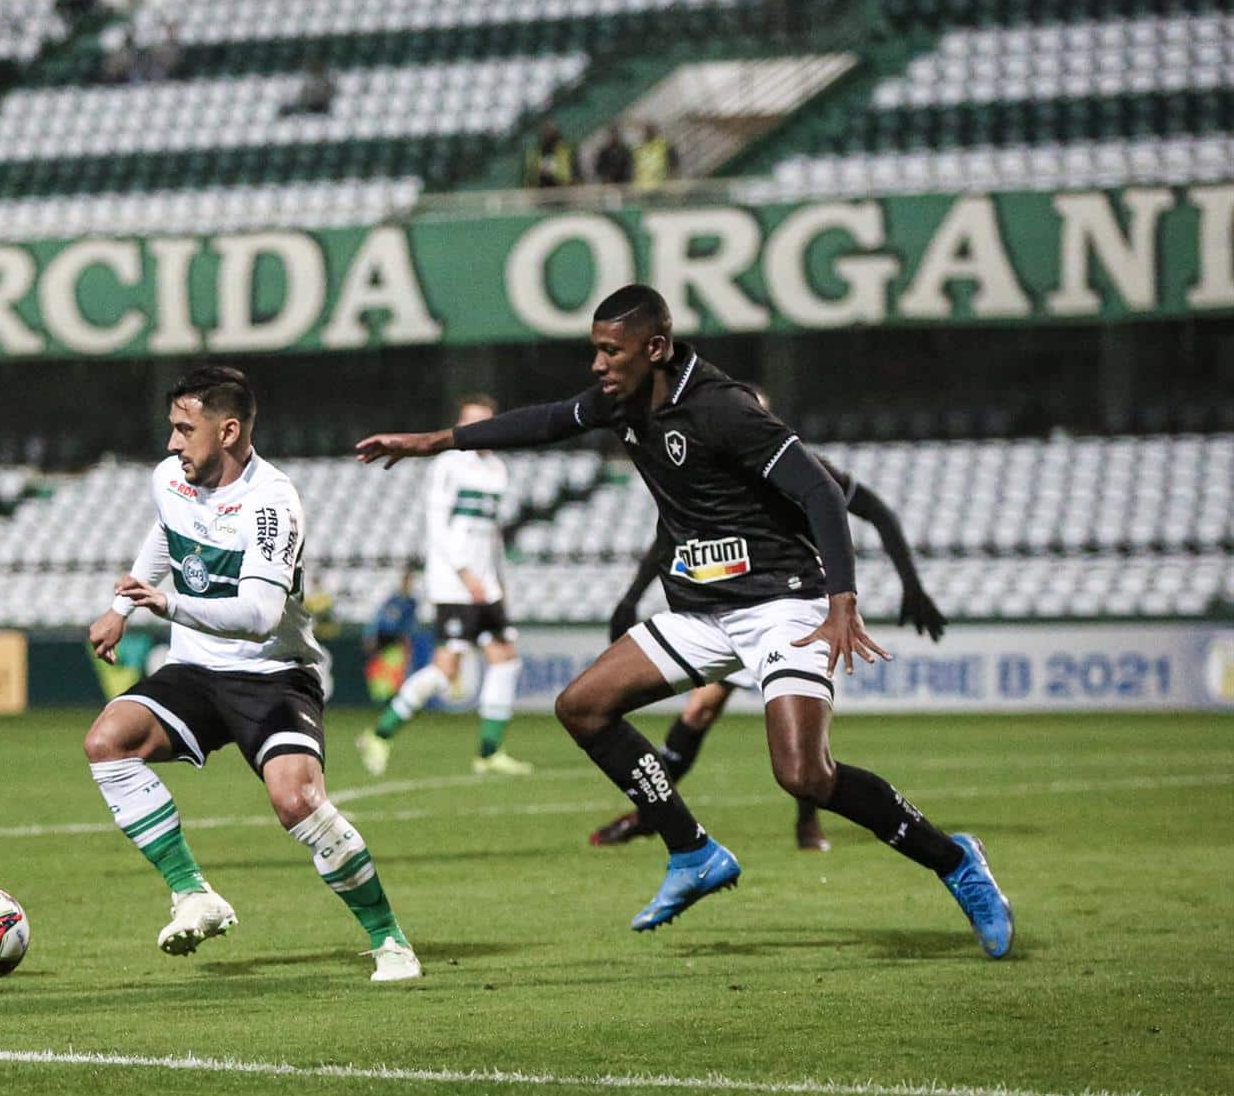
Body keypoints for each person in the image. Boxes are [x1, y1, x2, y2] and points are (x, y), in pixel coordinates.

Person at [354, 285, 1014, 960]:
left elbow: (820, 490)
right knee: (581, 706)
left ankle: (955, 859)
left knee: (803, 775)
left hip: (780, 604)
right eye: (595, 349)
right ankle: (691, 849)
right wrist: (436, 441)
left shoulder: (722, 408)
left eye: (611, 350)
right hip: (701, 611)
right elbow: (547, 421)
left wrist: (843, 599)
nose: (597, 364)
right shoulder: (621, 402)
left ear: (656, 348)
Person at [86, 366, 421, 982]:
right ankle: (193, 894)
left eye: (185, 430)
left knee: (296, 801)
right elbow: (167, 533)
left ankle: (389, 939)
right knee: (108, 742)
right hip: (193, 667)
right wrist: (121, 607)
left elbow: (261, 616)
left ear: (230, 430)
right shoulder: (171, 479)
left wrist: (168, 605)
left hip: (272, 673)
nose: (172, 444)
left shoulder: (273, 502)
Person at [594, 414, 950, 849]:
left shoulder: (801, 467)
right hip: (730, 611)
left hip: (791, 610)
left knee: (800, 744)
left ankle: (808, 824)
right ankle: (651, 817)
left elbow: (874, 511)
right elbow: (668, 541)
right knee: (698, 713)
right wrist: (631, 597)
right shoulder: (703, 481)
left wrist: (911, 586)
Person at [357, 394, 533, 779]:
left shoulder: (497, 469)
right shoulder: (449, 464)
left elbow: (492, 536)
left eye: (482, 423)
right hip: (454, 584)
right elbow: (439, 528)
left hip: (486, 585)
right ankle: (380, 733)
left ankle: (489, 752)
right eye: (468, 422)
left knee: (505, 660)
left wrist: (497, 581)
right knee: (446, 669)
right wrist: (466, 575)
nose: (474, 430)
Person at [362, 567, 423, 705]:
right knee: (382, 666)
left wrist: (407, 638)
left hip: (398, 639)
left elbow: (409, 622)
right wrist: (370, 634)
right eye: (405, 581)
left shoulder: (411, 602)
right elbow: (379, 617)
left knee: (397, 667)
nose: (406, 584)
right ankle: (380, 695)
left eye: (409, 581)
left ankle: (395, 696)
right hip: (384, 637)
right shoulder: (393, 599)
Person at [523, 118, 578, 191]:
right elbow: (530, 177)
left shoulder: (565, 149)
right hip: (542, 191)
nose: (548, 133)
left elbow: (573, 171)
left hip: (563, 188)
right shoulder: (535, 153)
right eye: (545, 130)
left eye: (550, 129)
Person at [632, 123, 679, 190]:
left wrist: (669, 182)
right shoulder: (639, 147)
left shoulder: (665, 145)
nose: (648, 132)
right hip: (641, 188)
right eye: (647, 130)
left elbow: (674, 165)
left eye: (651, 130)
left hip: (660, 188)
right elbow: (634, 166)